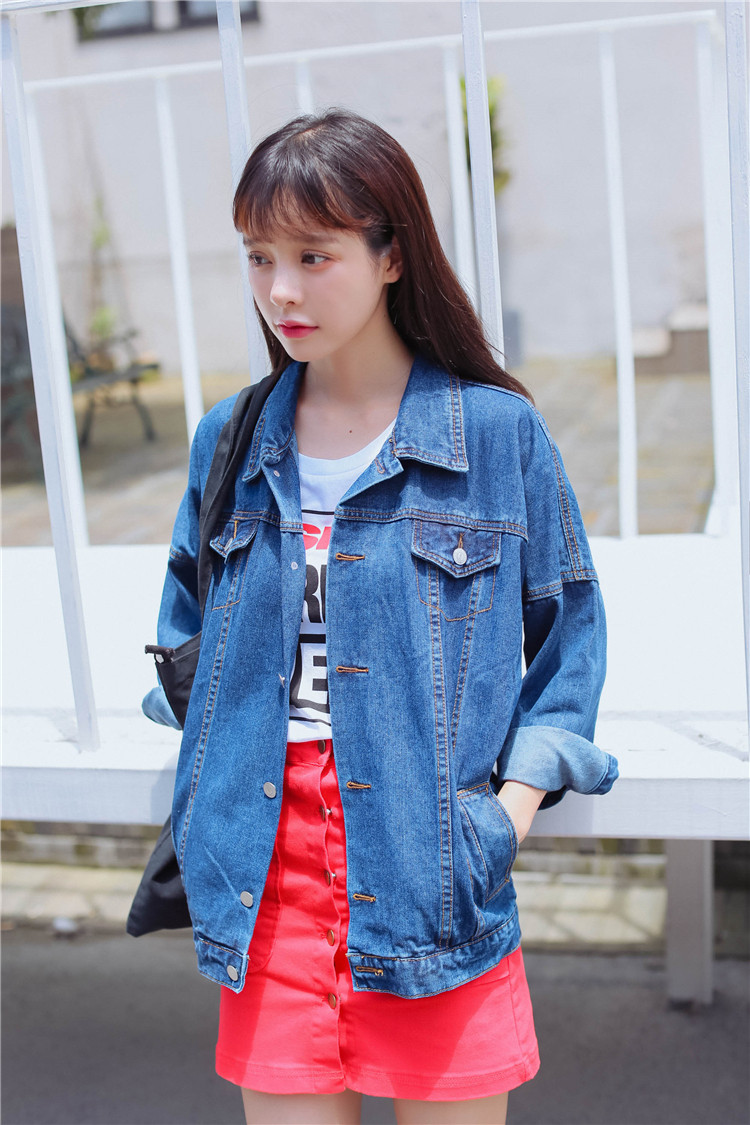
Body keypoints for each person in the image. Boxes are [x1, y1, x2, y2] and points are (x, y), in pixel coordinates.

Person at [143, 108, 618, 1125]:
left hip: (430, 868)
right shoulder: (232, 439)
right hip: (265, 875)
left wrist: (505, 813)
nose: (281, 290)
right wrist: (213, 774)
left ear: (391, 255)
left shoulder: (495, 435)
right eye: (260, 256)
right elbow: (187, 623)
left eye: (314, 256)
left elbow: (570, 639)